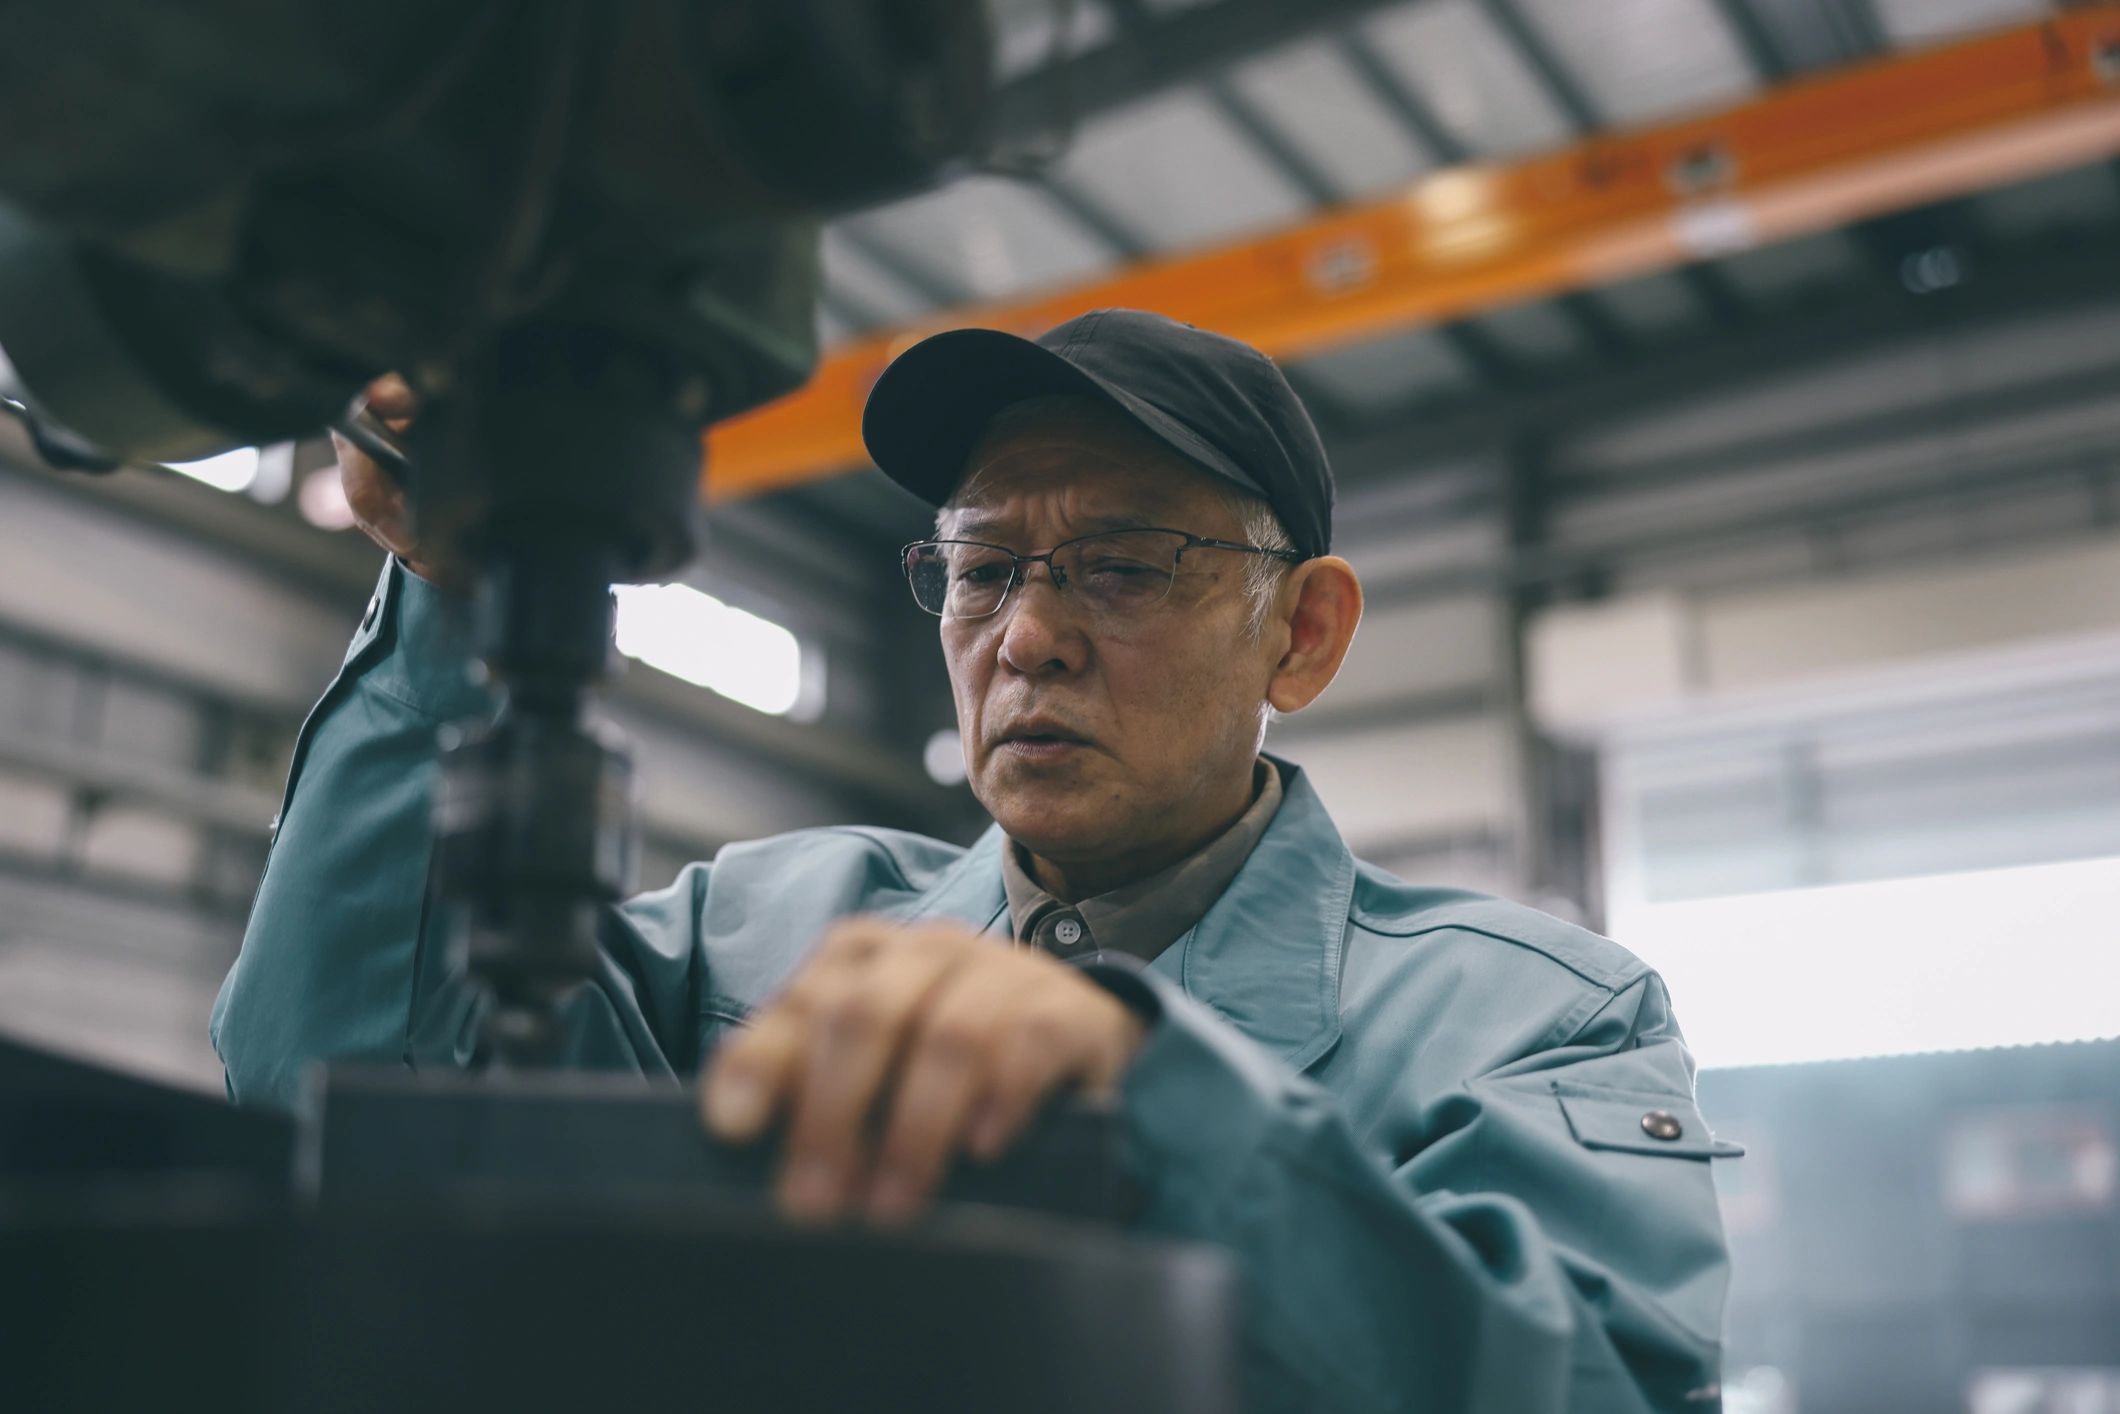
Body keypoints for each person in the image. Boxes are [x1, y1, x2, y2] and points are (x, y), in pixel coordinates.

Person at [213, 308, 1738, 1412]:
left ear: (1304, 629)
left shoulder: (1534, 1021)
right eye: (982, 567)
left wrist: (1154, 1100)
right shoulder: (754, 941)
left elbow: (1596, 1389)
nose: (1028, 634)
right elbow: (331, 1074)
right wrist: (449, 598)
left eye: (1125, 565)